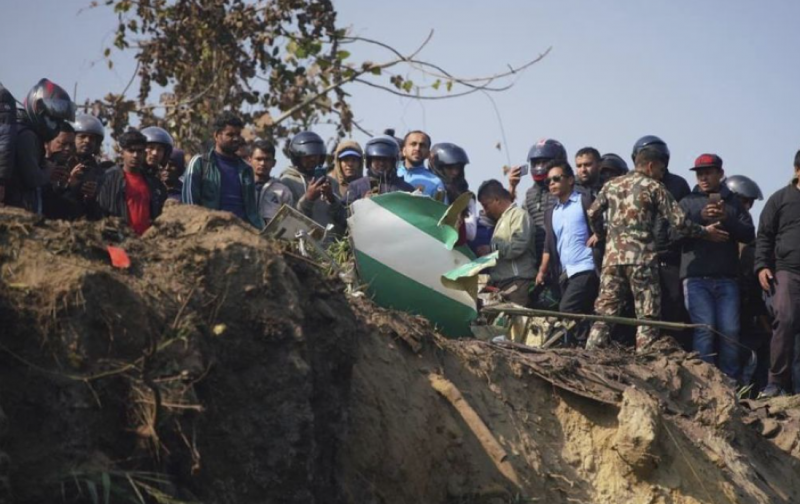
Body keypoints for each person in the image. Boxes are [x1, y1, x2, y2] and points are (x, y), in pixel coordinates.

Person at [585, 144, 728, 352]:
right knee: (647, 315)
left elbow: (592, 213)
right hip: (642, 259)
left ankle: (589, 356)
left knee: (605, 313)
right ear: (651, 166)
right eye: (661, 170)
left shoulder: (611, 185)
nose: (662, 175)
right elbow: (680, 223)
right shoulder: (654, 187)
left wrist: (602, 234)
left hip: (612, 260)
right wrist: (706, 232)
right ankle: (645, 361)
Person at [675, 154, 755, 381]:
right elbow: (670, 235)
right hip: (696, 278)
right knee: (704, 329)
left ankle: (730, 382)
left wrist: (727, 217)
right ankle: (706, 382)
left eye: (708, 172)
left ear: (720, 173)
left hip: (727, 278)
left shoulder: (733, 203)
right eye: (700, 173)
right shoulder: (687, 202)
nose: (703, 177)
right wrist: (699, 220)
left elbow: (749, 234)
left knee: (730, 331)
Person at [632, 136, 693, 347]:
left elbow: (683, 219)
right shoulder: (631, 184)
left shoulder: (677, 184)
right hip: (640, 256)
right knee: (643, 308)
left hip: (670, 255)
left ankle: (674, 350)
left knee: (674, 304)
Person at [537, 160, 600, 342]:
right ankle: (589, 346)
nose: (552, 184)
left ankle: (584, 346)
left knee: (568, 309)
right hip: (565, 273)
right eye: (548, 181)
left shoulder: (584, 201)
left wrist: (599, 234)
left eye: (556, 178)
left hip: (585, 266)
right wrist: (542, 271)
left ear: (571, 180)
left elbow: (604, 222)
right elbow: (549, 245)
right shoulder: (551, 213)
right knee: (583, 312)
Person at [755, 150, 800, 397]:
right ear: (797, 170)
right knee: (786, 319)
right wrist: (762, 265)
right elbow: (764, 235)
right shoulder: (780, 199)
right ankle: (775, 383)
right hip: (787, 272)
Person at [1, 79, 76, 212]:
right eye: (52, 119)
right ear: (38, 108)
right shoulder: (27, 135)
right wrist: (49, 170)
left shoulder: (25, 131)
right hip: (16, 210)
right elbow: (33, 179)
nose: (56, 126)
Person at [726, 174, 770, 392]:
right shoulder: (721, 227)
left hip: (746, 303)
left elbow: (752, 280)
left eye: (749, 203)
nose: (746, 207)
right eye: (743, 201)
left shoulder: (749, 237)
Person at [182, 112, 263, 228]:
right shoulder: (199, 163)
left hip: (243, 234)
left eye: (238, 134)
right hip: (210, 233)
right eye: (230, 135)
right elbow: (189, 205)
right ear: (216, 136)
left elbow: (252, 210)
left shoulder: (247, 169)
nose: (236, 139)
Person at [507, 138, 567, 266]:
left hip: (564, 253)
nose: (540, 167)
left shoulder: (568, 189)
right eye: (536, 163)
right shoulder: (530, 194)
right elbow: (514, 217)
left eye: (544, 162)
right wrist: (512, 187)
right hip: (538, 256)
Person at [477, 179, 536, 307]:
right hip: (504, 285)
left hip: (517, 283)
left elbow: (518, 246)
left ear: (496, 199)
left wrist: (491, 249)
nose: (485, 211)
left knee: (519, 324)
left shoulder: (518, 215)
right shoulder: (501, 220)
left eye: (486, 205)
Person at [95, 130, 166, 235]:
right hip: (119, 243)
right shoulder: (108, 179)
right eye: (131, 151)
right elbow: (101, 215)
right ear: (122, 152)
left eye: (140, 151)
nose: (135, 155)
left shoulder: (154, 183)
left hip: (148, 243)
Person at [279, 131, 346, 235]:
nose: (313, 159)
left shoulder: (331, 182)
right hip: (302, 247)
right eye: (307, 156)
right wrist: (308, 198)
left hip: (331, 248)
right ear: (297, 158)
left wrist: (332, 199)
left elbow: (344, 221)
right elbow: (290, 223)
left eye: (316, 155)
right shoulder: (287, 182)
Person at [44, 113, 106, 220]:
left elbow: (100, 211)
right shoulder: (57, 164)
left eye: (92, 138)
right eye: (82, 137)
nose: (87, 141)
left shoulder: (98, 171)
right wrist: (70, 185)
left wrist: (90, 197)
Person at [429, 142, 477, 242]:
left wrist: (456, 219)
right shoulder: (428, 189)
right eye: (449, 168)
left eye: (458, 168)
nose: (455, 172)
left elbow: (471, 233)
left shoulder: (466, 196)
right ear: (438, 167)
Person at [345, 135, 414, 203]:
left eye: (386, 159)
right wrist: (362, 203)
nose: (381, 163)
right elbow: (344, 212)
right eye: (377, 159)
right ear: (369, 160)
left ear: (393, 161)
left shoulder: (406, 190)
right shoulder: (355, 187)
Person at [248, 139, 292, 223]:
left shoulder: (283, 192)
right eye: (258, 159)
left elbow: (287, 223)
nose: (262, 163)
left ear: (274, 163)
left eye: (267, 159)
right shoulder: (241, 187)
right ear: (250, 160)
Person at [397, 130, 446, 200]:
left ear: (428, 154)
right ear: (403, 151)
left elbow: (442, 210)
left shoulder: (435, 182)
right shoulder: (391, 175)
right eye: (413, 144)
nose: (417, 148)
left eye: (422, 145)